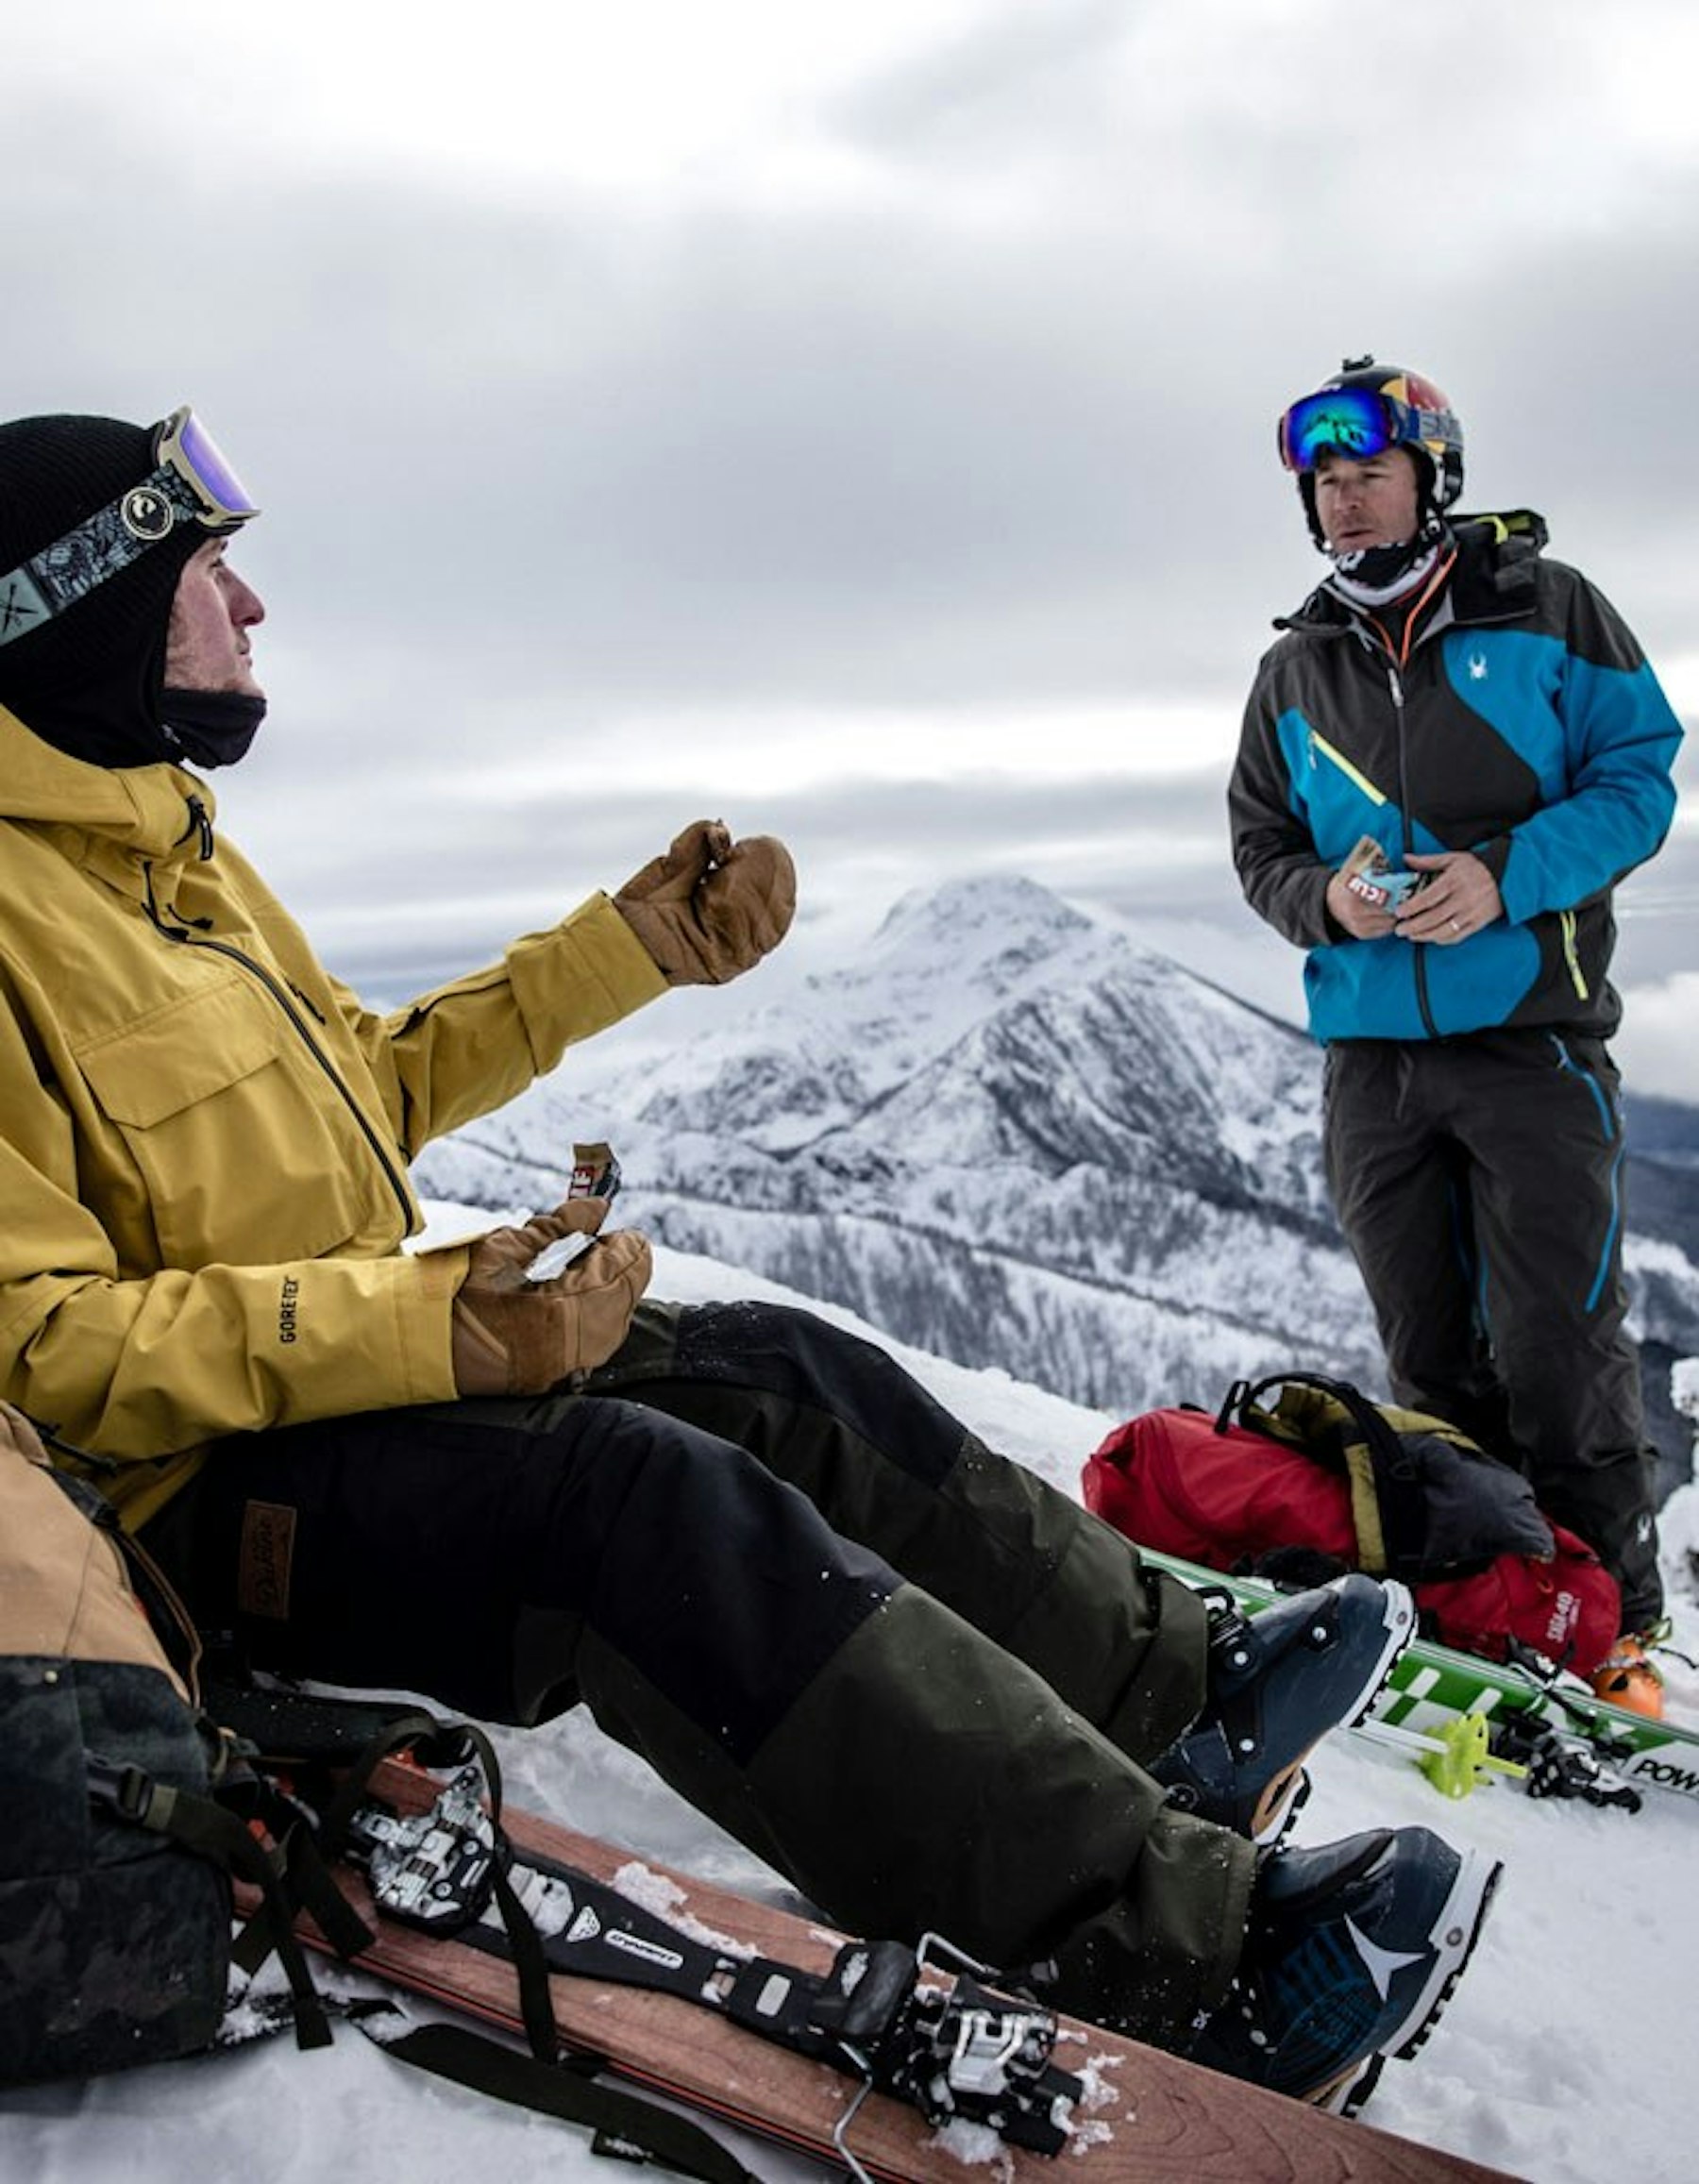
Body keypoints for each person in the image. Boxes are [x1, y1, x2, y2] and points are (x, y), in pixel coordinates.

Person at [0, 403, 1499, 2117]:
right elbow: (37, 1348)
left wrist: (623, 951)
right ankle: (1174, 1952)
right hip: (199, 1511)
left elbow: (372, 1080)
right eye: (206, 569)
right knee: (629, 1500)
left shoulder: (166, 852)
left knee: (777, 1370)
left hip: (352, 1374)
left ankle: (1173, 1694)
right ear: (82, 611)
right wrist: (428, 1324)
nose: (251, 606)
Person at [1230, 358, 1685, 1717]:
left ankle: (1613, 1634)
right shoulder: (1295, 663)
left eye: (1368, 472)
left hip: (1530, 1045)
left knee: (1563, 1351)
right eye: (1324, 480)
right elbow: (1260, 848)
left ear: (1435, 477)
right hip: (1372, 1065)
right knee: (1427, 1359)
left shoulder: (1547, 612)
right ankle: (1482, 1605)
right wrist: (1332, 900)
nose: (1343, 499)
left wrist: (1507, 876)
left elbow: (1640, 775)